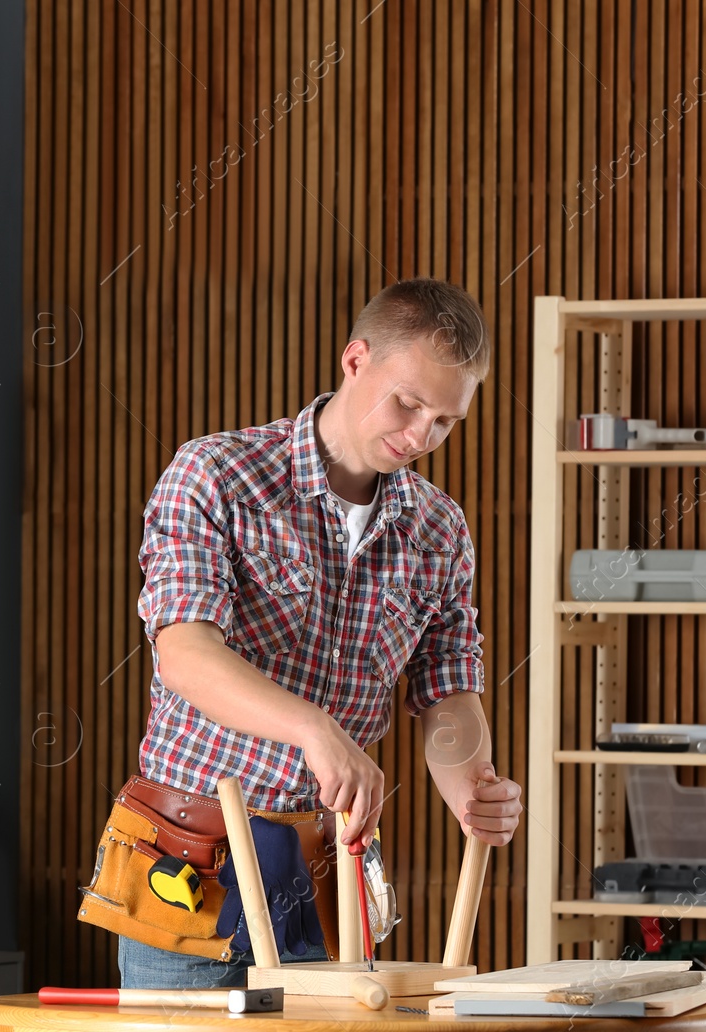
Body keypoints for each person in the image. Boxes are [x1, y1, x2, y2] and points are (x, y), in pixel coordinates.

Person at [120, 277, 522, 988]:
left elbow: (448, 693)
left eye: (445, 421)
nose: (420, 435)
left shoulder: (439, 528)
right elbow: (185, 653)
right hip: (190, 872)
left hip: (327, 884)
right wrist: (314, 728)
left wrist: (470, 786)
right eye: (408, 403)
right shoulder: (216, 473)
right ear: (355, 359)